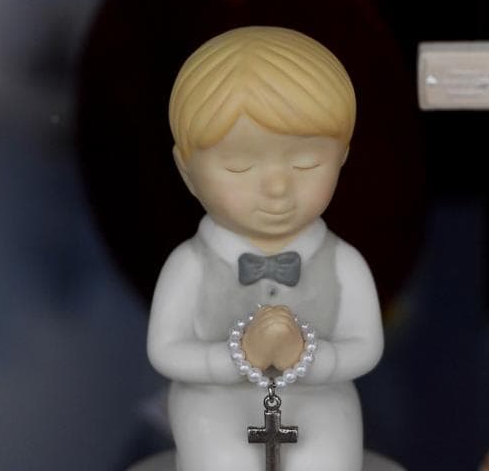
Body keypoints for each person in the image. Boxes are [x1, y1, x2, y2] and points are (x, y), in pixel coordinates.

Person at [149, 26, 383, 470]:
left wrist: (310, 359)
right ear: (186, 170)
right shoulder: (190, 266)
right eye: (239, 165)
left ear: (343, 158)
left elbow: (366, 346)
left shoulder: (343, 263)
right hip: (212, 398)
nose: (277, 187)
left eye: (305, 163)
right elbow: (165, 350)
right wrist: (237, 360)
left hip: (319, 395)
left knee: (325, 462)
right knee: (222, 462)